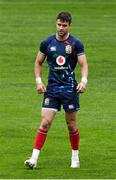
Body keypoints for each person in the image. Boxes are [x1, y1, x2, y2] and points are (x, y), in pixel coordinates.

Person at [24, 12, 88, 169]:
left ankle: (75, 158)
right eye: (59, 24)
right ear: (56, 24)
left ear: (69, 25)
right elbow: (38, 62)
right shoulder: (47, 42)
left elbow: (83, 65)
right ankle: (33, 159)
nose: (61, 28)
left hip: (69, 90)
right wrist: (39, 82)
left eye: (64, 25)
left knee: (71, 125)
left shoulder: (75, 44)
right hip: (52, 89)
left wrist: (83, 82)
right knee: (45, 123)